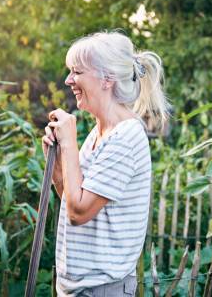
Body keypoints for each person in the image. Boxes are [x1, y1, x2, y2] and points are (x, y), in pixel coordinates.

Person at [42, 30, 170, 296]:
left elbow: (79, 213)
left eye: (77, 72)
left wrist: (69, 144)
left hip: (100, 289)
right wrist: (56, 164)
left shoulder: (126, 136)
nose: (68, 80)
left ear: (107, 79)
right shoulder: (99, 133)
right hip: (78, 287)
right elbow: (71, 197)